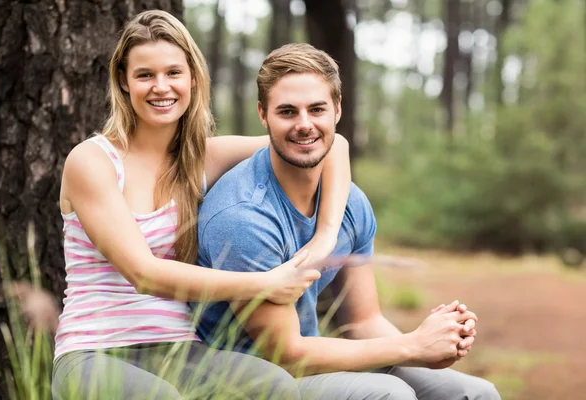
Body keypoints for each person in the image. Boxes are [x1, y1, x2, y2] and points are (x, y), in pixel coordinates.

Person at [52, 11, 353, 400]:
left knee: (275, 387)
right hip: (93, 351)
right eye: (145, 75)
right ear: (124, 83)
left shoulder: (202, 160)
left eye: (173, 72)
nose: (161, 87)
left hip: (179, 350)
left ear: (193, 78)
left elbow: (334, 146)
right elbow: (144, 274)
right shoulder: (92, 161)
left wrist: (325, 237)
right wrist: (265, 283)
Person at [195, 43, 501, 400]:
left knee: (475, 393)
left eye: (317, 109)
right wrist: (412, 346)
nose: (304, 124)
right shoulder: (243, 217)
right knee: (390, 395)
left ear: (337, 110)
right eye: (287, 112)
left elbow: (363, 322)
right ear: (263, 116)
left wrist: (433, 345)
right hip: (252, 377)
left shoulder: (349, 203)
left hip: (313, 358)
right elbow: (287, 354)